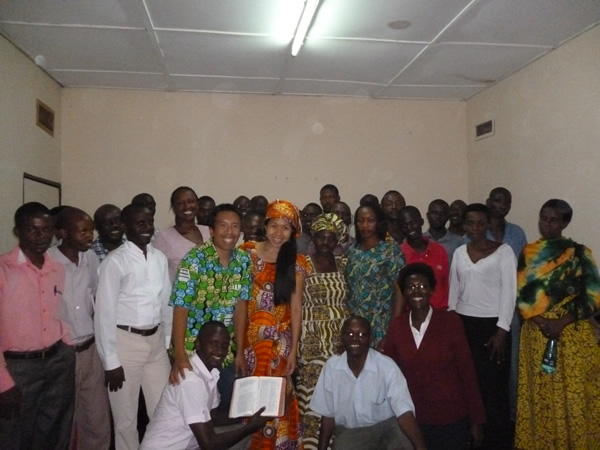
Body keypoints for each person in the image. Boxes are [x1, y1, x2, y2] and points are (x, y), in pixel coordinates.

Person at [515, 199, 600, 449]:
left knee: (573, 394)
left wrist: (562, 322)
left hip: (572, 335)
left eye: (553, 220)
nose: (546, 224)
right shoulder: (529, 253)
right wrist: (544, 323)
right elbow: (522, 296)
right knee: (540, 394)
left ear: (565, 223)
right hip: (537, 334)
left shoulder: (580, 253)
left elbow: (594, 296)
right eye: (543, 218)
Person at [95, 204, 172, 450]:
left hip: (156, 343)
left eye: (149, 223)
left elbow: (166, 303)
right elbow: (103, 314)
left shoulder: (159, 258)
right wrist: (111, 361)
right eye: (139, 223)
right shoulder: (114, 262)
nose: (146, 228)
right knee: (125, 420)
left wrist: (168, 341)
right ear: (125, 227)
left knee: (163, 412)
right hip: (125, 343)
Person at [385, 263, 485, 449]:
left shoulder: (450, 322)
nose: (417, 291)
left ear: (431, 290)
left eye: (422, 286)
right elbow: (387, 372)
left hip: (451, 418)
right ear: (404, 293)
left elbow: (467, 372)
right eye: (410, 287)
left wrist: (476, 420)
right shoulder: (397, 327)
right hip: (413, 420)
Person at [0, 202, 75, 450]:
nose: (41, 236)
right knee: (14, 435)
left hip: (57, 362)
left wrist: (67, 343)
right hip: (17, 368)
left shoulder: (57, 269)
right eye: (33, 230)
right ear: (17, 231)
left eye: (46, 229)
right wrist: (3, 381)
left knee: (55, 432)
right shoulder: (3, 270)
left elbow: (58, 311)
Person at [238, 199, 310, 449]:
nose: (279, 233)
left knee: (277, 401)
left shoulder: (297, 262)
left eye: (286, 228)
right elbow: (241, 302)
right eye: (274, 226)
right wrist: (238, 348)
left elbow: (296, 308)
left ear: (293, 233)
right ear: (265, 226)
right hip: (251, 343)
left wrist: (293, 351)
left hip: (280, 345)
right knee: (250, 400)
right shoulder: (247, 253)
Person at [169, 204, 251, 415]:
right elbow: (181, 308)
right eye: (223, 225)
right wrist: (180, 356)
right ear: (212, 230)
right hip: (192, 351)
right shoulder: (194, 260)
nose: (229, 232)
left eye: (234, 226)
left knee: (224, 409)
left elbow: (241, 307)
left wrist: (239, 350)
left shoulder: (243, 261)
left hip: (225, 351)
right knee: (193, 414)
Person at [448, 203, 516, 450]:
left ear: (488, 224)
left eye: (480, 223)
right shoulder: (459, 253)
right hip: (464, 325)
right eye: (470, 223)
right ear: (464, 225)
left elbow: (510, 292)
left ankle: (496, 442)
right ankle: (471, 439)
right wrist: (452, 326)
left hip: (494, 328)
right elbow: (454, 294)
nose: (475, 228)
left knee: (493, 388)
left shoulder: (504, 252)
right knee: (468, 384)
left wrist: (502, 330)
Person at [141, 321, 269, 450]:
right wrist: (250, 427)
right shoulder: (191, 381)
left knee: (242, 434)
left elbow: (213, 417)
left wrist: (249, 414)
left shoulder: (210, 373)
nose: (219, 351)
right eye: (213, 344)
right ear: (198, 344)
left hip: (188, 445)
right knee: (243, 435)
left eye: (224, 346)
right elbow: (209, 445)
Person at [310, 316, 426, 450]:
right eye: (350, 333)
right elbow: (328, 416)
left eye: (362, 334)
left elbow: (404, 412)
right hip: (352, 432)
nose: (355, 338)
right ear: (342, 337)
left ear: (370, 339)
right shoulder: (331, 367)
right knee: (341, 446)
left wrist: (421, 447)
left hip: (387, 428)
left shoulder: (386, 366)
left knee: (404, 443)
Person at [48, 207, 111, 449]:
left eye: (90, 230)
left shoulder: (91, 258)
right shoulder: (49, 261)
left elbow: (95, 298)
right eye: (83, 231)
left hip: (90, 349)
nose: (90, 236)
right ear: (63, 233)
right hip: (62, 354)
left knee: (96, 420)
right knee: (63, 421)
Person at [297, 213, 350, 450]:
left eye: (331, 237)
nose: (326, 242)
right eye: (321, 237)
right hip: (312, 341)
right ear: (314, 238)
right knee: (312, 400)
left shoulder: (344, 263)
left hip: (340, 342)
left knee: (338, 397)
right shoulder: (302, 263)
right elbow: (295, 305)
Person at [485, 187, 528, 421]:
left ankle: (514, 419)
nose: (502, 206)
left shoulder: (517, 233)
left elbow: (525, 270)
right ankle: (490, 419)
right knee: (489, 365)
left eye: (507, 202)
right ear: (489, 202)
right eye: (498, 200)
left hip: (512, 309)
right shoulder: (478, 232)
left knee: (513, 366)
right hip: (485, 309)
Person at [345, 203, 404, 346]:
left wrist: (392, 331)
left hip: (382, 325)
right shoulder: (352, 251)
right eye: (360, 220)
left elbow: (400, 292)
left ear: (378, 223)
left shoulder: (390, 250)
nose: (365, 225)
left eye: (370, 220)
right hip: (356, 326)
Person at [153, 186, 210, 281]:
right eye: (180, 203)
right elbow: (156, 275)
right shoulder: (164, 238)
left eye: (191, 201)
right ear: (173, 208)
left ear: (197, 204)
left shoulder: (208, 231)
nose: (187, 206)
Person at [398, 206, 449, 310]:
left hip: (439, 312)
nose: (410, 228)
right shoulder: (398, 254)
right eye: (404, 225)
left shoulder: (439, 250)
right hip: (411, 314)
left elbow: (446, 283)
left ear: (421, 222)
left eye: (413, 223)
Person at [424, 199, 464, 264]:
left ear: (448, 217)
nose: (438, 216)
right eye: (434, 213)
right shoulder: (420, 239)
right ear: (428, 215)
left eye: (442, 213)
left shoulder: (459, 242)